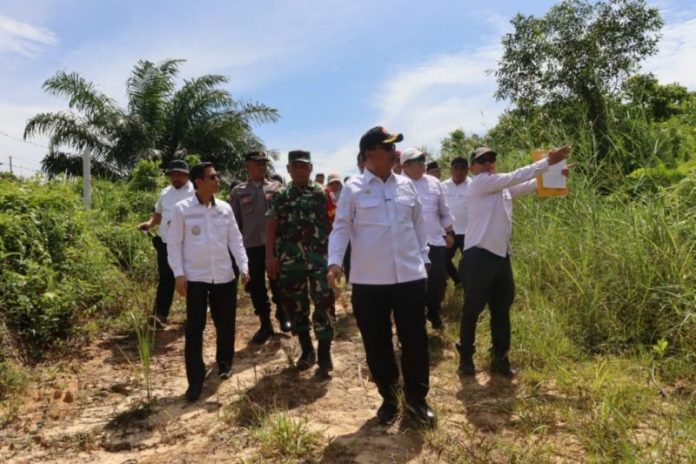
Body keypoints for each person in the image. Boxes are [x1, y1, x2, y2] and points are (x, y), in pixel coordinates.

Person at [328, 126, 436, 427]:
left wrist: (424, 258)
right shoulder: (353, 189)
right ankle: (390, 397)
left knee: (415, 340)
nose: (394, 153)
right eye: (388, 148)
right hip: (369, 280)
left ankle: (417, 399)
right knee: (377, 342)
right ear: (370, 154)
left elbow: (418, 225)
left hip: (409, 277)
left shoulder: (406, 185)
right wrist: (334, 262)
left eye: (394, 148)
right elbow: (341, 228)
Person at [457, 145, 571, 378]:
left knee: (501, 310)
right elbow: (516, 176)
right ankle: (466, 357)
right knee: (472, 309)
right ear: (472, 168)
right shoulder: (479, 183)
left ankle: (500, 359)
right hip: (478, 256)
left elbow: (529, 185)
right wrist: (547, 162)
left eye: (491, 158)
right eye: (482, 160)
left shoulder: (503, 189)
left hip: (501, 256)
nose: (488, 163)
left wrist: (555, 174)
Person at [168, 162, 249, 401]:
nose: (217, 180)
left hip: (224, 275)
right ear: (199, 182)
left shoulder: (224, 208)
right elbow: (174, 244)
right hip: (195, 278)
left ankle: (224, 362)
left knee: (225, 324)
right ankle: (195, 380)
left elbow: (235, 240)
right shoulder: (182, 209)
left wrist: (243, 266)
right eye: (212, 177)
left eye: (217, 176)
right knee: (195, 328)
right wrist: (179, 274)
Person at [266, 150, 335, 376]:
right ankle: (307, 350)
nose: (299, 170)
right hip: (290, 260)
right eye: (295, 166)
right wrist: (270, 257)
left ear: (310, 168)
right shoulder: (280, 196)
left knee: (324, 302)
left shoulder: (323, 193)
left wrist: (336, 258)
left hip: (319, 259)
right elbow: (271, 227)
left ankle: (324, 352)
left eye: (303, 166)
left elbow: (335, 225)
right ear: (288, 169)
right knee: (295, 305)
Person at [229, 151, 292, 345]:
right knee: (256, 287)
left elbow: (284, 217)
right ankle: (265, 324)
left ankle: (283, 315)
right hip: (251, 246)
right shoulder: (238, 191)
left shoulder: (277, 187)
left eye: (264, 163)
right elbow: (234, 223)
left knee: (279, 282)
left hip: (275, 245)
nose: (262, 166)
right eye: (257, 163)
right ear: (248, 167)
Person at [400, 148, 455, 330]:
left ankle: (432, 309)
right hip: (409, 244)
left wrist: (449, 232)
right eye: (418, 161)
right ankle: (416, 319)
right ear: (405, 165)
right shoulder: (396, 185)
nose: (423, 163)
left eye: (423, 160)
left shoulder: (434, 183)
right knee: (413, 285)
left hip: (435, 241)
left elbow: (444, 210)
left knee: (439, 279)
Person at [137, 160, 194, 328]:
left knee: (191, 278)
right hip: (165, 242)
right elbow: (158, 214)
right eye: (173, 174)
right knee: (166, 279)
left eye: (179, 174)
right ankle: (160, 315)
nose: (175, 177)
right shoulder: (165, 192)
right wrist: (149, 224)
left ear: (187, 175)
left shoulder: (195, 192)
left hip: (187, 244)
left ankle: (194, 314)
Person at [442, 157, 470, 286]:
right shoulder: (442, 186)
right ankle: (458, 281)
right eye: (456, 168)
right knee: (442, 260)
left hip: (468, 232)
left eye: (463, 168)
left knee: (470, 262)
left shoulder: (473, 185)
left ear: (468, 170)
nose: (459, 171)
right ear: (451, 170)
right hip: (449, 232)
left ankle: (469, 287)